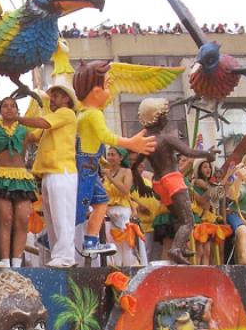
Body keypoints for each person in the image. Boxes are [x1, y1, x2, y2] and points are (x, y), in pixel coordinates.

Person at [72, 61, 156, 257]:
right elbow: (106, 137)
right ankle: (56, 238)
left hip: (89, 166)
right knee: (78, 207)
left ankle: (90, 241)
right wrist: (131, 143)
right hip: (85, 167)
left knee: (100, 202)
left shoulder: (83, 114)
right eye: (107, 85)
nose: (110, 91)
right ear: (95, 91)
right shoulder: (93, 114)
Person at [131, 98, 217, 264]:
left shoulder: (146, 142)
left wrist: (141, 184)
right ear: (159, 118)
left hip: (158, 184)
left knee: (178, 218)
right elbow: (189, 151)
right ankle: (176, 248)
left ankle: (181, 247)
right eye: (165, 116)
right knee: (188, 220)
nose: (167, 119)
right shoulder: (166, 139)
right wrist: (208, 154)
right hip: (172, 180)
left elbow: (134, 165)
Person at [18, 79, 78, 268]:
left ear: (67, 99)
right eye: (52, 95)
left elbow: (42, 123)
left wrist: (16, 119)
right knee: (52, 219)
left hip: (62, 171)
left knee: (62, 216)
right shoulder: (54, 119)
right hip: (48, 172)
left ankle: (66, 257)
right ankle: (58, 256)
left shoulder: (65, 113)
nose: (52, 98)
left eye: (57, 95)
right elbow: (32, 135)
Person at [0, 98, 37, 268]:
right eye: (5, 106)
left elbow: (35, 141)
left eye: (13, 106)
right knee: (5, 219)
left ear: (18, 110)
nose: (9, 109)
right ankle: (5, 261)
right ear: (0, 110)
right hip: (1, 177)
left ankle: (17, 262)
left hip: (21, 178)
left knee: (22, 219)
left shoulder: (24, 130)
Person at [103, 146, 138, 266]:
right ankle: (115, 267)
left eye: (113, 155)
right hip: (108, 210)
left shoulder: (126, 171)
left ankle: (128, 267)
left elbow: (125, 190)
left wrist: (111, 178)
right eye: (109, 154)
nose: (110, 157)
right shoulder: (106, 172)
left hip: (122, 209)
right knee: (110, 240)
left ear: (121, 158)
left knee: (124, 240)